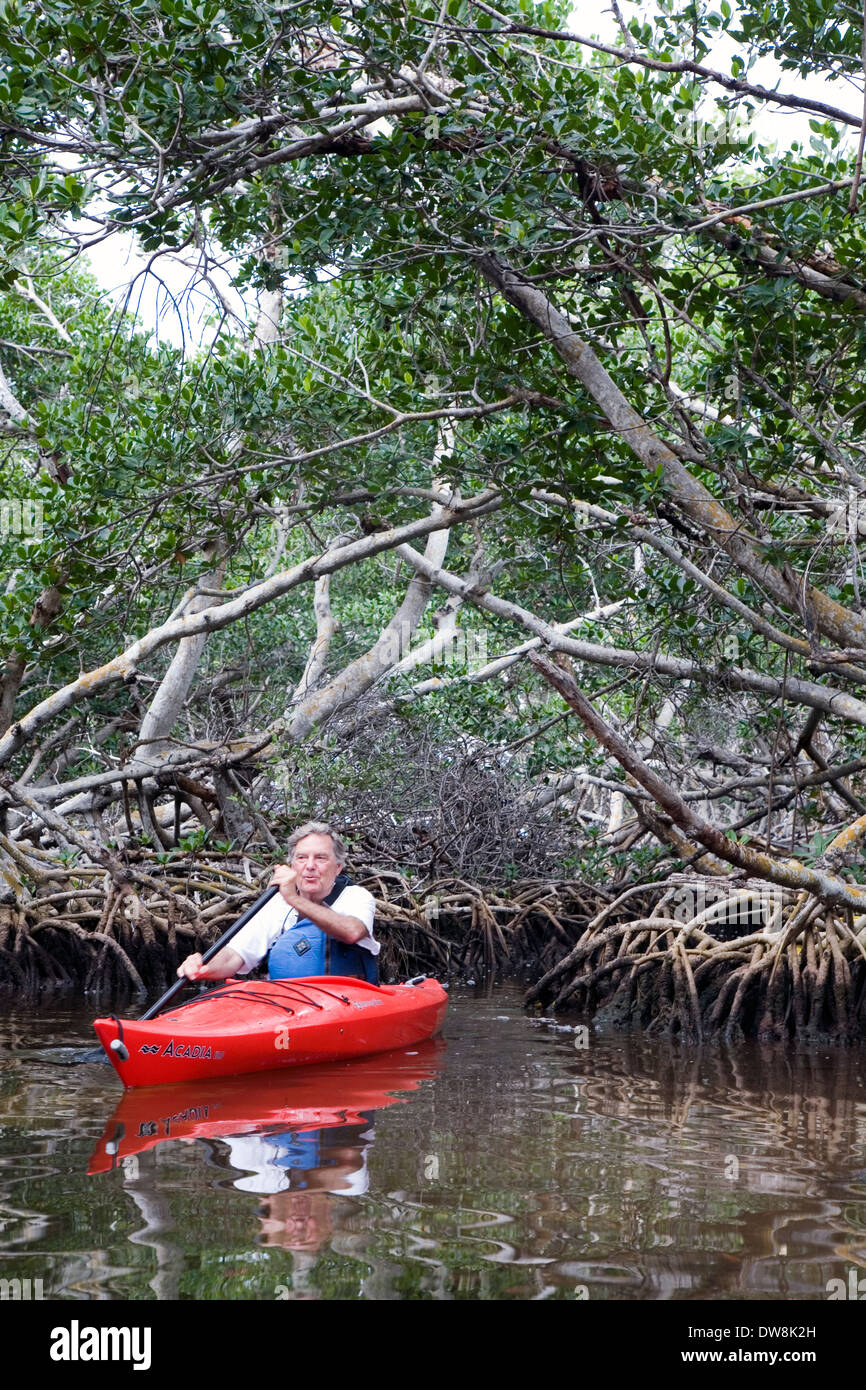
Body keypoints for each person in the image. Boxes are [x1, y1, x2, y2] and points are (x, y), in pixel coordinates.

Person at [176, 821, 378, 984]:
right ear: (292, 865)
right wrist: (203, 967)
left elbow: (352, 932)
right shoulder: (276, 905)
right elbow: (233, 956)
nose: (309, 866)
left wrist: (293, 898)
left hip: (347, 1004)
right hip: (290, 1006)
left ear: (338, 868)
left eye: (321, 858)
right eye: (301, 858)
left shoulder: (356, 897)